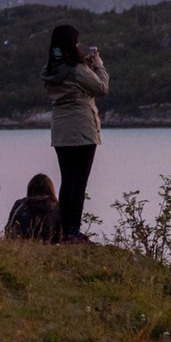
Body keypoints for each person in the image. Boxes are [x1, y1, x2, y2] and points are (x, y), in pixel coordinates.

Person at [41, 24, 108, 243]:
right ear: (72, 44)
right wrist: (98, 65)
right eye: (77, 42)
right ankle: (73, 232)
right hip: (81, 130)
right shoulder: (78, 70)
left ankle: (64, 229)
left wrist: (83, 66)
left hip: (60, 131)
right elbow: (101, 88)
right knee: (79, 183)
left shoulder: (50, 70)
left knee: (67, 181)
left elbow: (71, 80)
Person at [4, 172, 62, 242]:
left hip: (19, 244)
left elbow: (9, 229)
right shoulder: (56, 207)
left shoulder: (20, 204)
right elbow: (61, 234)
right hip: (47, 245)